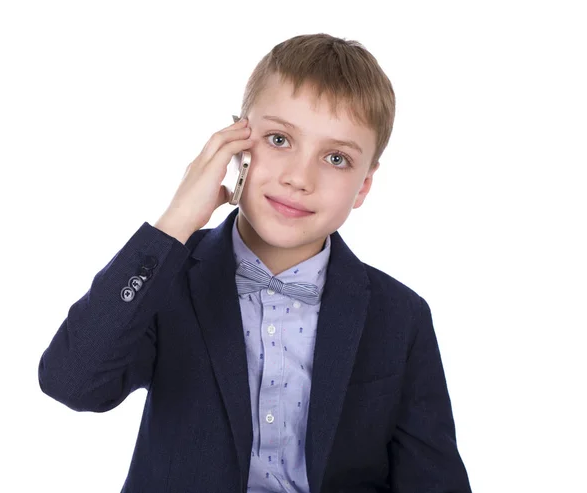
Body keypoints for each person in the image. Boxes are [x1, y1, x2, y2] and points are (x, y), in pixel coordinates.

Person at [38, 33, 472, 493]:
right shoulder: (169, 278)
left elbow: (434, 479)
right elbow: (72, 381)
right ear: (235, 143)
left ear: (364, 184)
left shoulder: (400, 316)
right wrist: (175, 223)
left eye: (336, 157)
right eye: (280, 139)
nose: (299, 178)